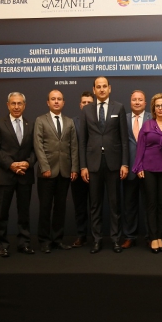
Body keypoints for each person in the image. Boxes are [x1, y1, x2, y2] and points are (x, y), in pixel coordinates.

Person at [79, 76, 129, 254]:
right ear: (94, 90)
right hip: (93, 164)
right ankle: (97, 240)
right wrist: (83, 166)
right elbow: (82, 141)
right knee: (95, 205)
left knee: (115, 204)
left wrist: (125, 163)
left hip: (114, 163)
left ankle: (115, 240)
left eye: (104, 86)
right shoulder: (86, 110)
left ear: (110, 88)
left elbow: (124, 139)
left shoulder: (119, 107)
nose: (101, 89)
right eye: (98, 87)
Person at [0, 92, 37, 257]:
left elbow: (36, 149)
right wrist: (11, 165)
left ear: (24, 105)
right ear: (8, 105)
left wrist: (28, 163)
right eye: (13, 103)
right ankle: (2, 245)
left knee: (24, 213)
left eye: (19, 103)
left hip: (25, 175)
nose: (16, 106)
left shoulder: (31, 125)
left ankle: (24, 244)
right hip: (5, 175)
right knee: (2, 213)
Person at [33, 90, 79, 253]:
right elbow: (38, 145)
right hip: (47, 172)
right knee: (45, 207)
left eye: (59, 99)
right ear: (48, 102)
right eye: (53, 99)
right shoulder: (40, 120)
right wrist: (44, 167)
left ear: (63, 102)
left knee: (60, 208)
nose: (56, 101)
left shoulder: (69, 122)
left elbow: (74, 146)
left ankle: (57, 239)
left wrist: (74, 168)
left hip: (65, 172)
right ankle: (44, 241)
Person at [134, 93, 162, 253]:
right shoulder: (147, 125)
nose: (160, 108)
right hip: (148, 169)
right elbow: (140, 148)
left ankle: (160, 236)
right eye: (157, 106)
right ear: (153, 109)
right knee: (151, 204)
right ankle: (153, 238)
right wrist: (138, 167)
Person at [121, 90, 151, 250]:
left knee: (149, 205)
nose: (137, 102)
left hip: (148, 169)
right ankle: (129, 237)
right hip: (129, 168)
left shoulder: (152, 119)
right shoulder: (123, 118)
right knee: (129, 205)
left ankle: (150, 237)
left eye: (140, 100)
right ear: (130, 102)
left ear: (145, 103)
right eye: (134, 99)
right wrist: (123, 164)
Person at [71, 91, 94, 248]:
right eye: (84, 102)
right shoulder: (73, 122)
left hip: (96, 170)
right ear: (80, 105)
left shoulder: (100, 122)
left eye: (89, 103)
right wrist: (77, 168)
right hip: (78, 170)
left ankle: (96, 237)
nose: (86, 105)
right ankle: (81, 235)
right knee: (80, 206)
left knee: (96, 206)